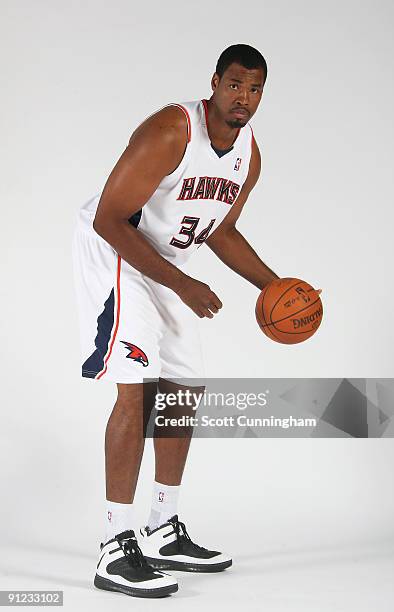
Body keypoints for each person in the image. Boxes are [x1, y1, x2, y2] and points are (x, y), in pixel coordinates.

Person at [72, 43, 279, 599]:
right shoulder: (172, 131)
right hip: (117, 253)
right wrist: (183, 284)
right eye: (235, 85)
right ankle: (116, 546)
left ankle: (162, 527)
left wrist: (273, 286)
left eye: (255, 89)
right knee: (135, 391)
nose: (244, 98)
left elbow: (221, 230)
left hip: (166, 264)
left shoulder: (247, 155)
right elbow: (108, 218)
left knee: (183, 391)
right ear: (214, 82)